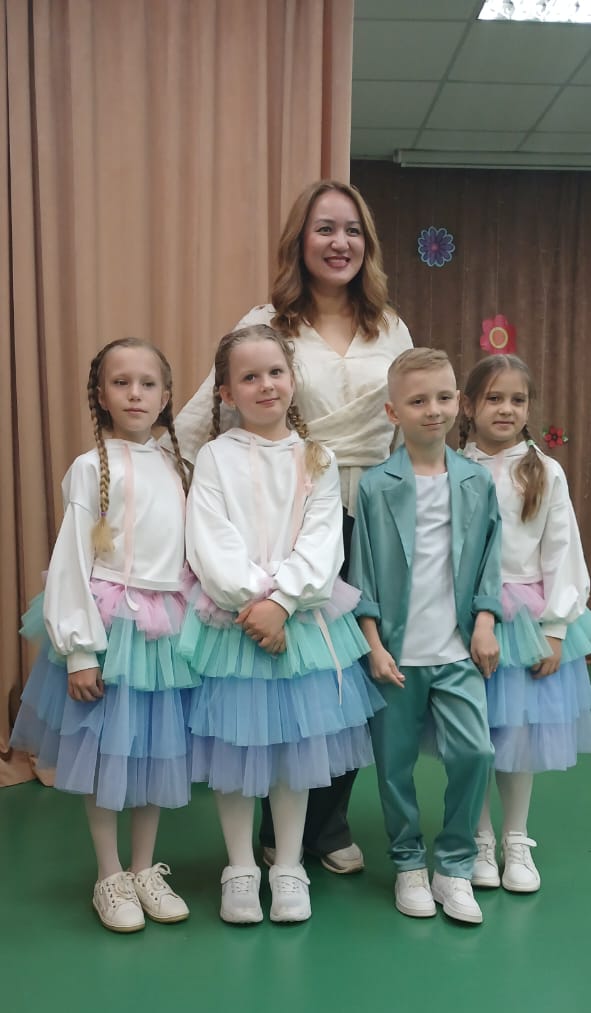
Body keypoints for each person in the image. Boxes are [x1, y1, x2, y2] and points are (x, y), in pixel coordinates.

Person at [174, 180, 413, 876]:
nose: (340, 242)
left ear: (367, 243)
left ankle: (325, 826)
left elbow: (405, 422)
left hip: (374, 511)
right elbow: (204, 415)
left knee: (352, 669)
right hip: (290, 512)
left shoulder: (390, 327)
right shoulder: (268, 320)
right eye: (324, 229)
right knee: (279, 670)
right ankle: (269, 839)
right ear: (299, 242)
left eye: (352, 230)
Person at [179, 324, 383, 925]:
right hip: (234, 626)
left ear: (292, 380)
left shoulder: (317, 457)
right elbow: (209, 539)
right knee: (234, 751)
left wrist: (284, 602)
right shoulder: (215, 457)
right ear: (226, 393)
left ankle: (288, 864)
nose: (265, 385)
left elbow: (324, 541)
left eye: (275, 372)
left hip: (301, 622)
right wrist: (255, 602)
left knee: (295, 751)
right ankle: (241, 865)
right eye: (249, 376)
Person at [11, 338, 193, 933]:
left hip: (164, 633)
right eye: (121, 383)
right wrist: (80, 650)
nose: (135, 394)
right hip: (110, 628)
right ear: (100, 395)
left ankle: (144, 868)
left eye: (148, 383)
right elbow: (71, 561)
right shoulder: (91, 468)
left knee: (153, 752)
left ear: (166, 396)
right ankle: (109, 874)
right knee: (106, 754)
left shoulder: (178, 465)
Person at [349, 348, 503, 926]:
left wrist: (484, 622)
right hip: (395, 655)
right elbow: (361, 573)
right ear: (394, 412)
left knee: (475, 751)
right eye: (417, 401)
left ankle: (455, 864)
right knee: (394, 765)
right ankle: (409, 863)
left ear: (459, 402)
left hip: (458, 651)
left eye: (442, 397)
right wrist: (373, 645)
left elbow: (490, 560)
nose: (432, 410)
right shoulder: (375, 486)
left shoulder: (476, 481)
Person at [459, 354, 591, 893]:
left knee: (517, 734)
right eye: (493, 398)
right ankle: (479, 837)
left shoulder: (545, 471)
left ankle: (516, 836)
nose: (506, 409)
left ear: (529, 407)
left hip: (526, 623)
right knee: (473, 736)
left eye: (518, 399)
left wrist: (555, 629)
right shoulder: (451, 469)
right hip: (465, 619)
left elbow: (562, 550)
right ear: (468, 406)